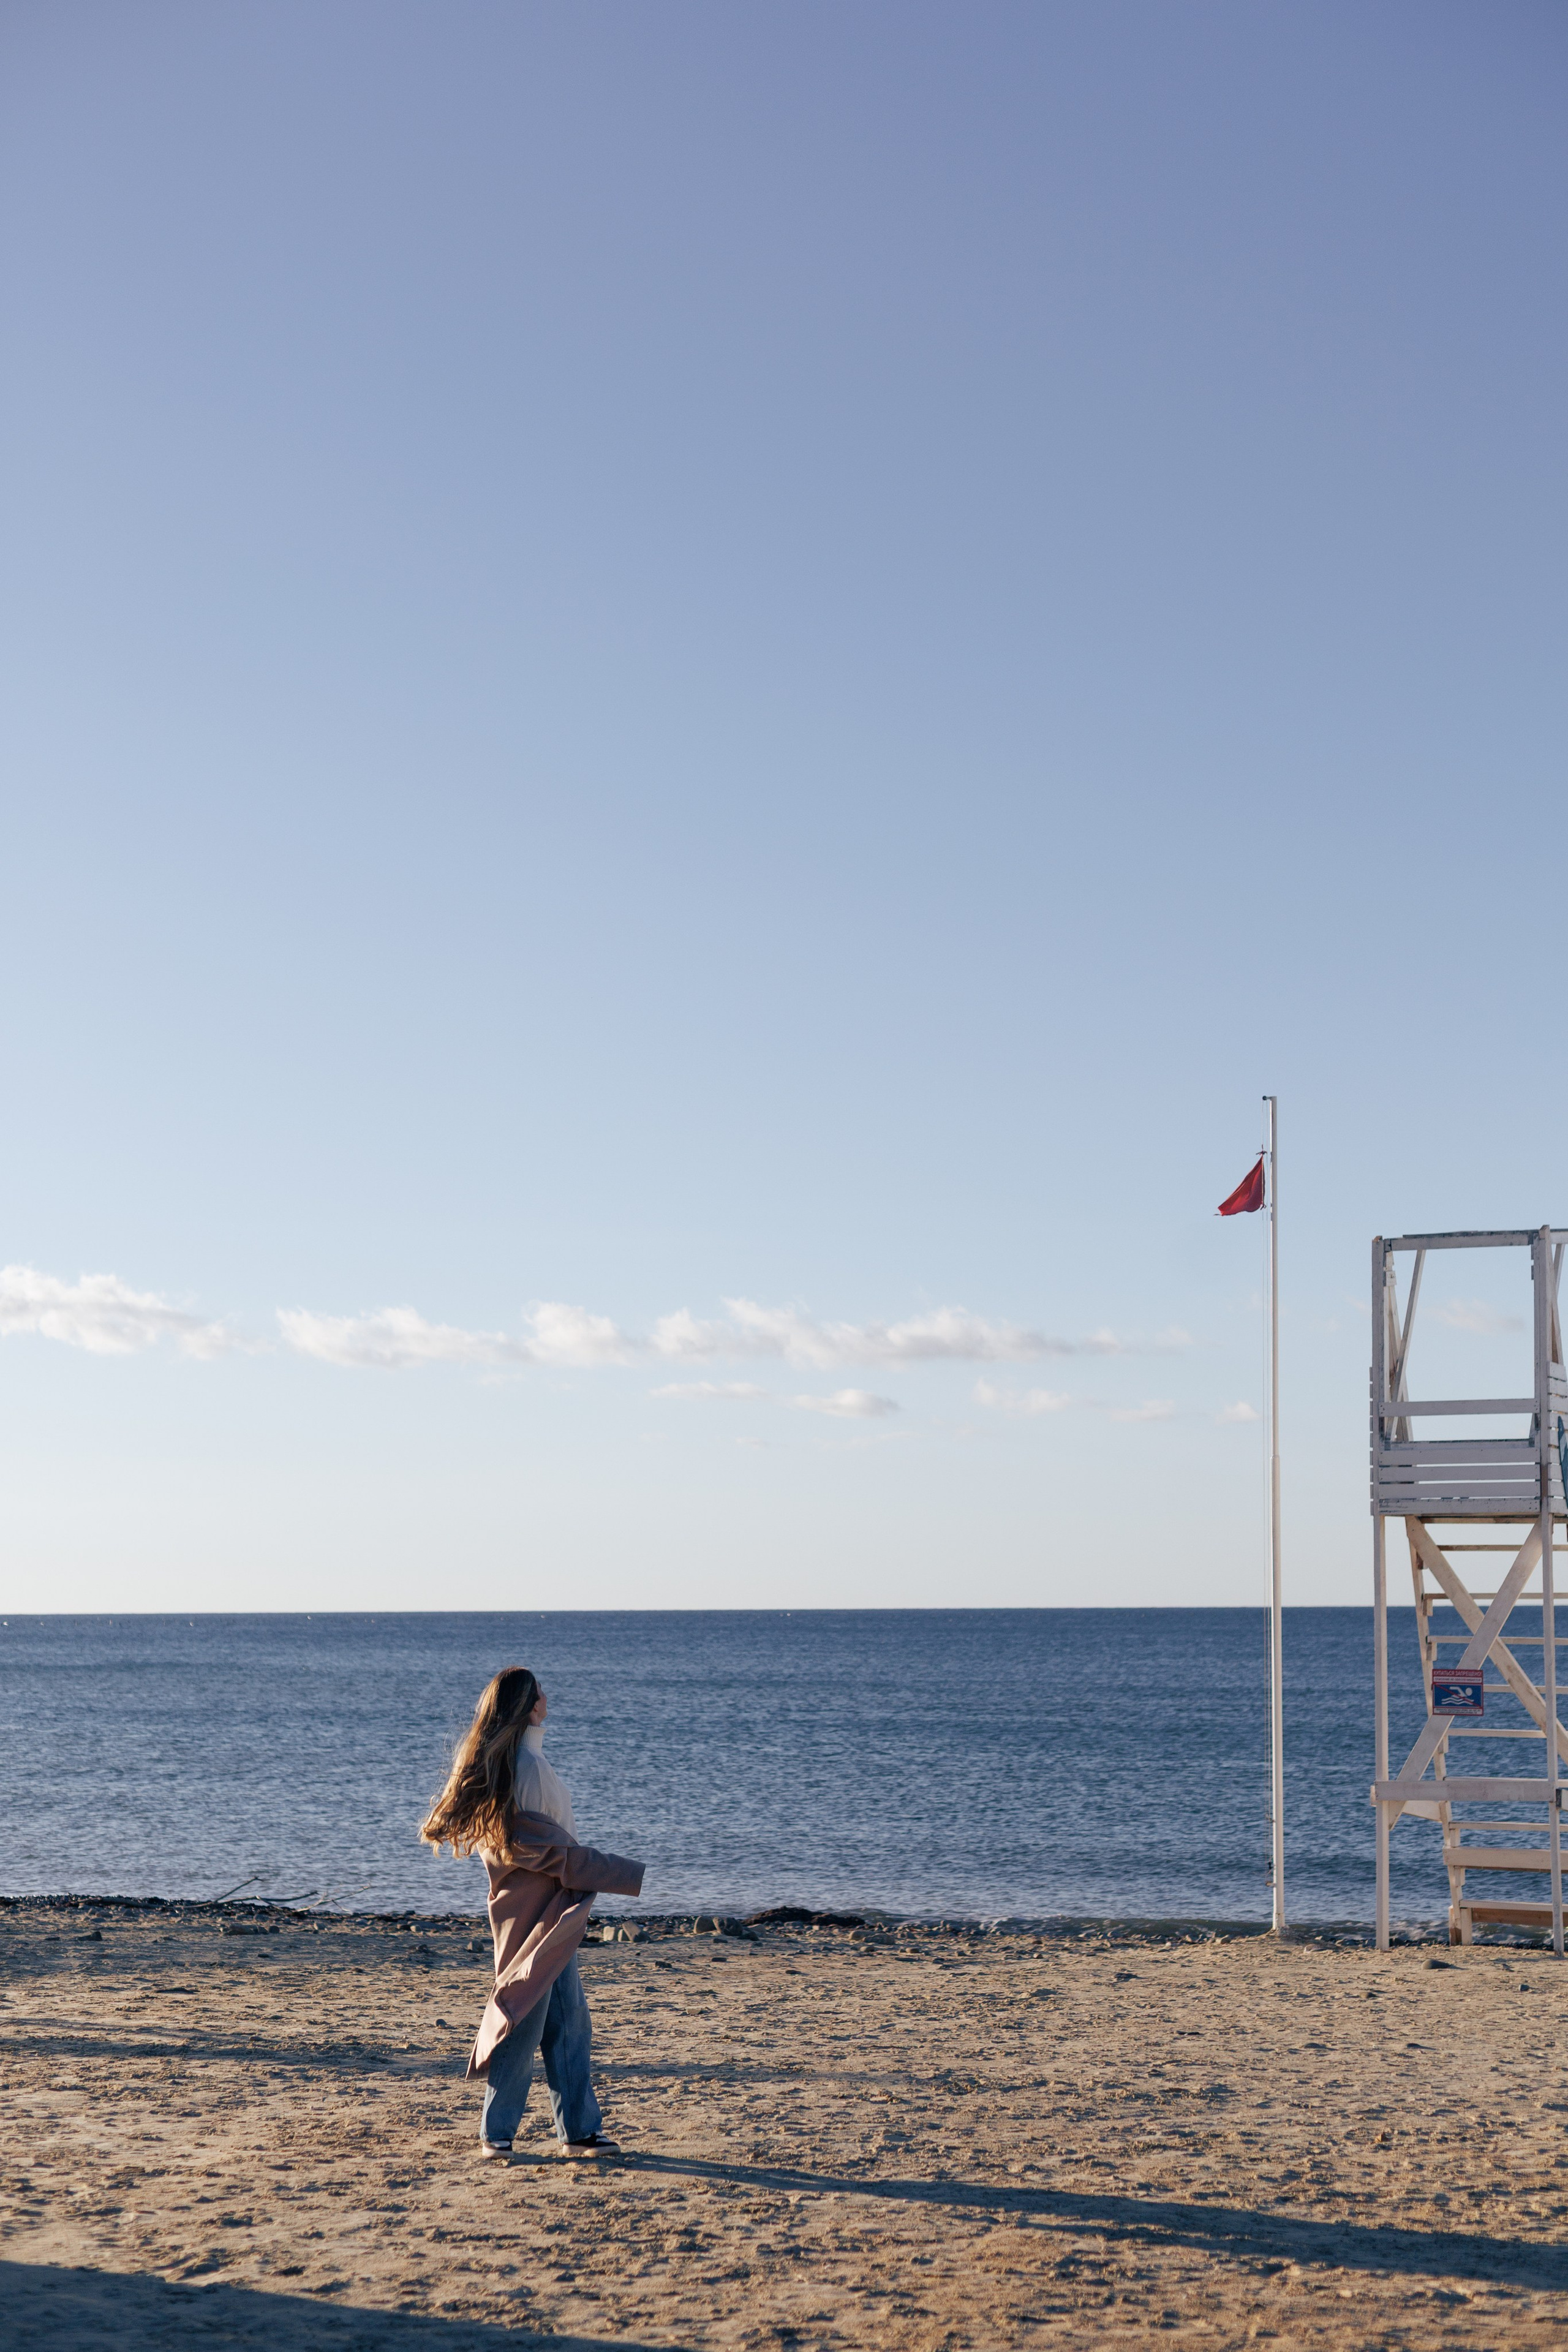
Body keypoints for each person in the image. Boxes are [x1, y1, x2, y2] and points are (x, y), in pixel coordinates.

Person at [421, 1665, 644, 2162]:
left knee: (569, 2023)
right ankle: (497, 2133)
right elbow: (545, 1853)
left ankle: (579, 2131)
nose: (548, 1696)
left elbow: (530, 1848)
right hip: (540, 1913)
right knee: (524, 2019)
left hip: (536, 1909)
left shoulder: (513, 1763)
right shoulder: (527, 1768)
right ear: (528, 1706)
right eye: (540, 1691)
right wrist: (623, 1874)